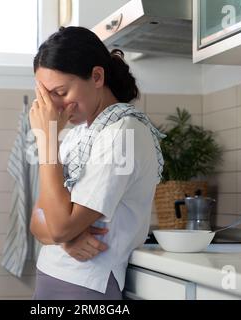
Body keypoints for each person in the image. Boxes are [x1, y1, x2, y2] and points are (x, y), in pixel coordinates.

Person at [29, 26, 165, 300]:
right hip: (51, 274)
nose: (54, 109)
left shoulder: (123, 134)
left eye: (61, 92)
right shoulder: (77, 134)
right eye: (47, 97)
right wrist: (66, 238)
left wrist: (46, 140)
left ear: (97, 76)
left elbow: (57, 227)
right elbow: (37, 221)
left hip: (86, 284)